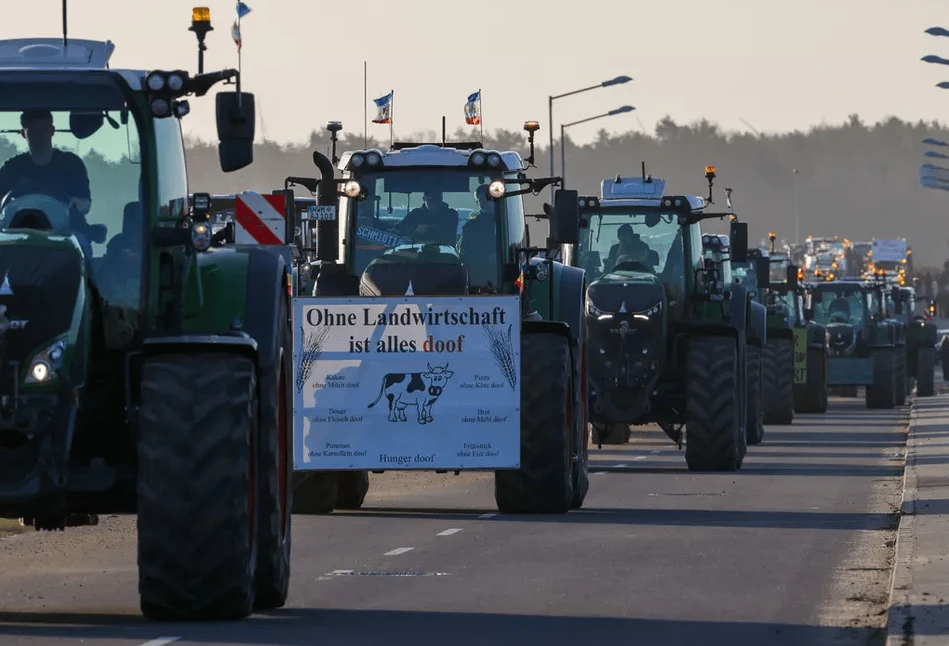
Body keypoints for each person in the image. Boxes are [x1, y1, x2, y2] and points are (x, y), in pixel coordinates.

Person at [0, 110, 94, 233]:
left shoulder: (72, 164)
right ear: (23, 133)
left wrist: (79, 205)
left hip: (67, 236)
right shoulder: (11, 167)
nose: (40, 136)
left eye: (44, 130)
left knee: (83, 245)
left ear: (52, 131)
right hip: (15, 237)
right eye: (33, 131)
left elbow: (85, 201)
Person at [457, 185, 498, 286]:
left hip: (500, 271)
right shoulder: (471, 226)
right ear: (477, 203)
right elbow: (466, 253)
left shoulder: (506, 222)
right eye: (481, 199)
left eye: (488, 198)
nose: (486, 202)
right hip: (479, 275)